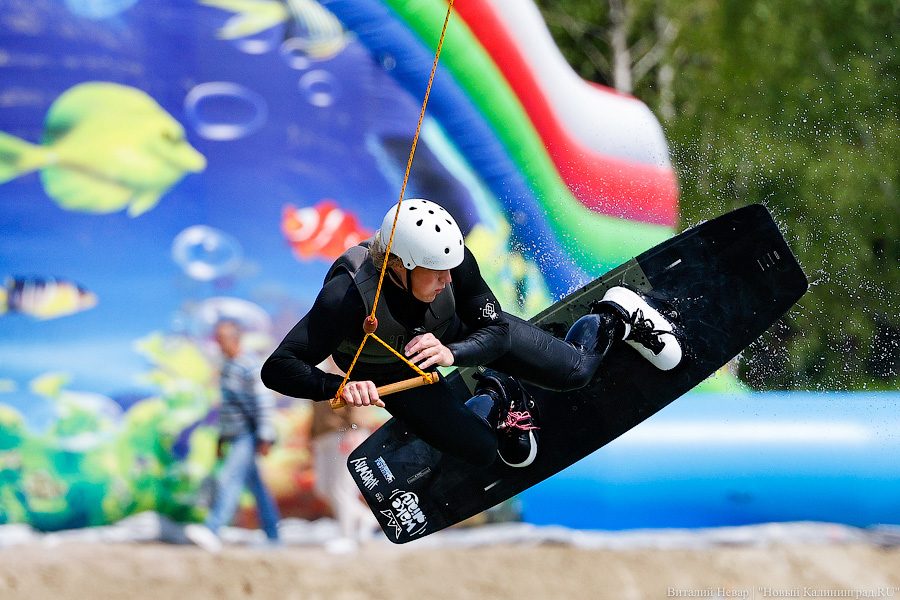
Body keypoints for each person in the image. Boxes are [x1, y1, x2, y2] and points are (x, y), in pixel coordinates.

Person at [262, 198, 683, 470]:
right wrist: (339, 385)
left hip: (462, 334)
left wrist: (452, 351)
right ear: (397, 265)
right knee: (481, 449)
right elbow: (278, 368)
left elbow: (496, 328)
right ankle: (501, 394)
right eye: (435, 271)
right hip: (390, 373)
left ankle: (614, 314)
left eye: (451, 267)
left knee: (576, 372)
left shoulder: (453, 260)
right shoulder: (346, 299)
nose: (449, 278)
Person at [186, 319, 282, 552]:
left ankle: (213, 529)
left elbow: (263, 401)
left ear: (234, 339)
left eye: (221, 340)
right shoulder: (228, 366)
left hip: (248, 435)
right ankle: (274, 536)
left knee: (230, 479)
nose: (218, 345)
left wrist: (265, 436)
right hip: (235, 434)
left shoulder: (248, 364)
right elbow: (227, 407)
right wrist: (221, 438)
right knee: (256, 486)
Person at [309, 358, 379, 554]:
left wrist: (355, 429)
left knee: (341, 487)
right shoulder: (319, 375)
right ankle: (366, 518)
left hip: (345, 434)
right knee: (323, 487)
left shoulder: (352, 372)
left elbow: (360, 404)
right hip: (323, 437)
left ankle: (347, 536)